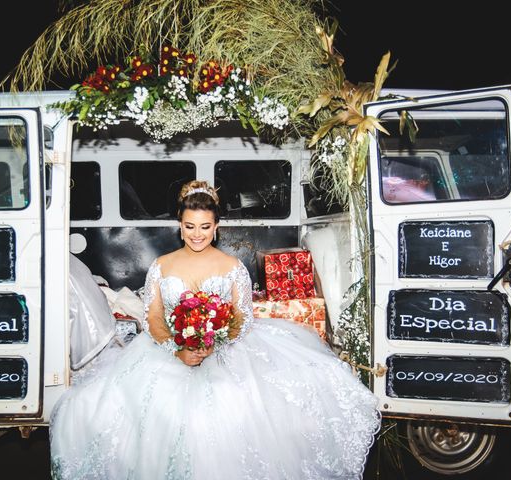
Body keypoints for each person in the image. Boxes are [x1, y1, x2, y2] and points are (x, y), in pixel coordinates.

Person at [49, 180, 381, 480]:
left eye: (205, 227)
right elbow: (153, 318)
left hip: (225, 351)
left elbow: (242, 318)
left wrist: (214, 342)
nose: (197, 234)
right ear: (180, 226)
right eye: (190, 226)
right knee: (99, 407)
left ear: (217, 227)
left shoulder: (232, 267)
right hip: (168, 351)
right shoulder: (161, 266)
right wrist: (177, 348)